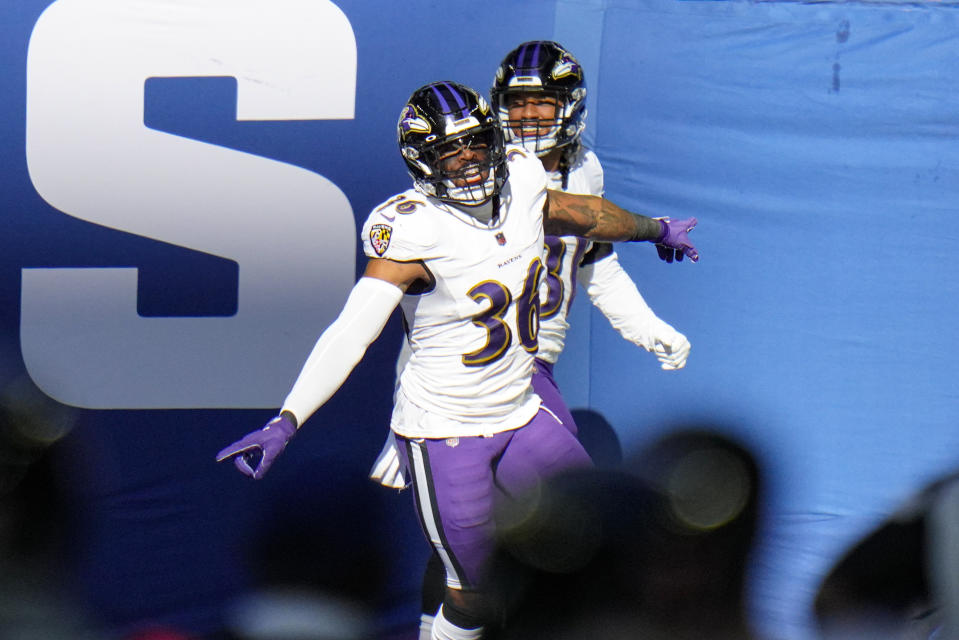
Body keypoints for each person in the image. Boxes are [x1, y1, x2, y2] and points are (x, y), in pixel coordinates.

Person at [217, 80, 698, 640]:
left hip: (521, 413)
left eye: (475, 143)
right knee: (474, 597)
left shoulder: (521, 176)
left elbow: (581, 214)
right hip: (446, 432)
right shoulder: (412, 227)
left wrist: (652, 229)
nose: (468, 161)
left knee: (598, 537)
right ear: (423, 161)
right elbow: (352, 332)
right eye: (450, 150)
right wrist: (288, 417)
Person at [371, 41, 693, 639]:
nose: (529, 119)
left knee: (551, 521)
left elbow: (593, 257)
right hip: (471, 376)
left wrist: (645, 326)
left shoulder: (581, 170)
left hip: (531, 363)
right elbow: (420, 316)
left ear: (569, 105)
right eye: (517, 106)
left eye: (543, 104)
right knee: (476, 539)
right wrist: (403, 415)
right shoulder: (475, 171)